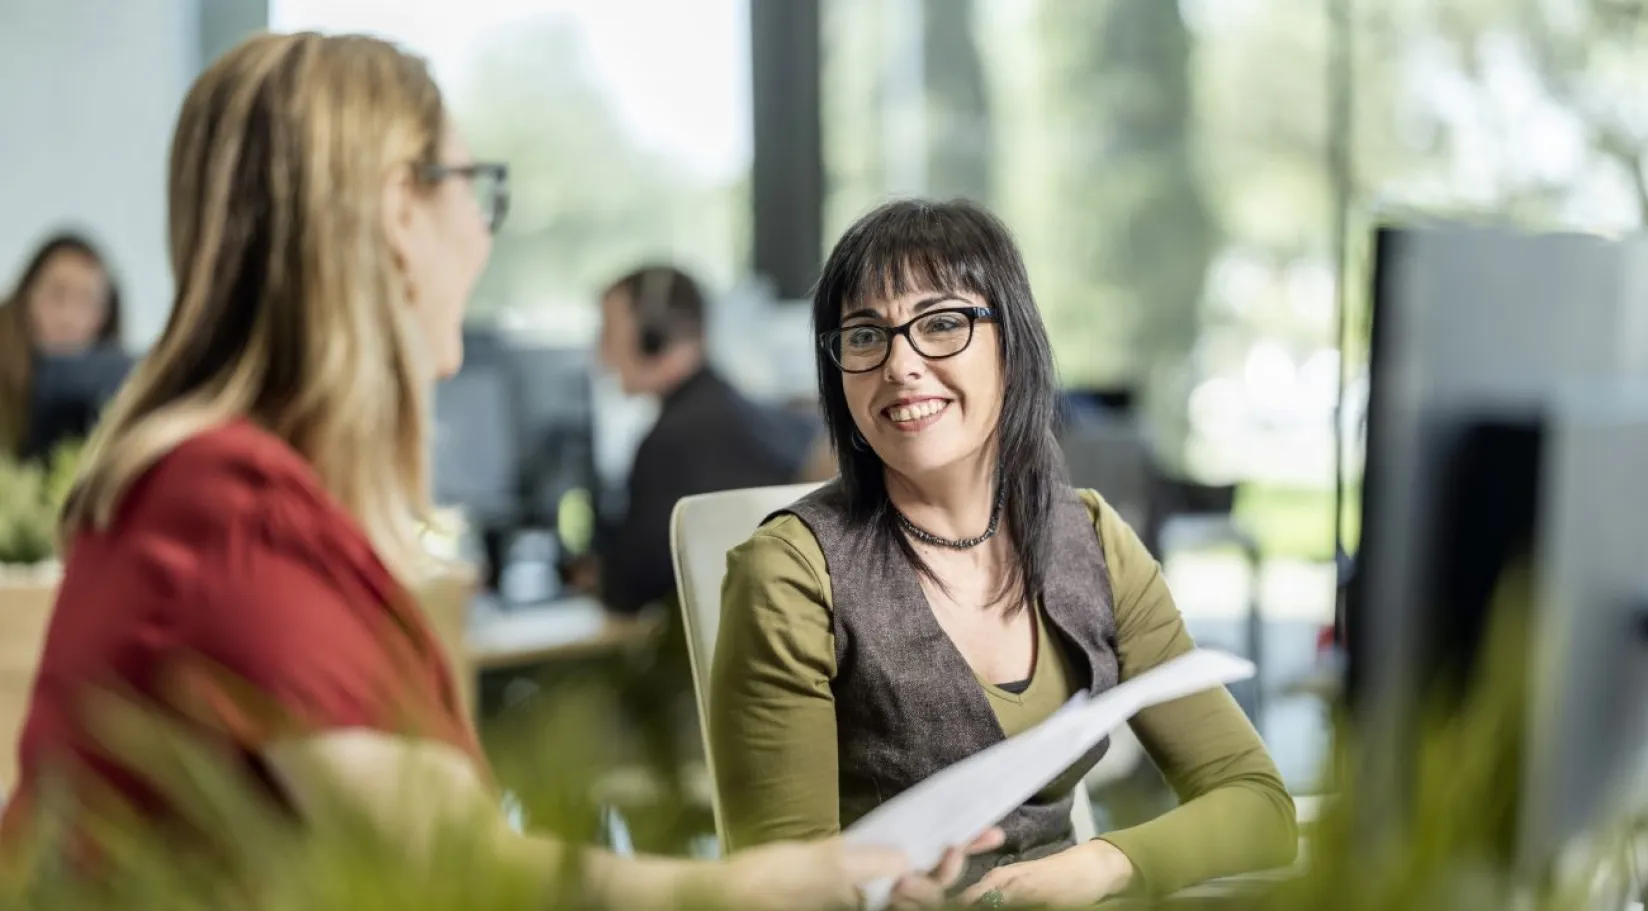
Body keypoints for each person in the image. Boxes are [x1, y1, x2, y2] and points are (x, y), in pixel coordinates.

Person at [0, 32, 998, 908]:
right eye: (472, 189)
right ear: (400, 209)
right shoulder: (225, 506)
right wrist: (745, 887)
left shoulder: (204, 490)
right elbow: (456, 867)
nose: (482, 231)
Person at [710, 199, 1299, 907]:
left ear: (1011, 344)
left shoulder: (1091, 538)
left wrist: (1099, 865)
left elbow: (1258, 805)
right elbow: (776, 894)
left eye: (941, 323)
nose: (900, 364)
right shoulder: (790, 572)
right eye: (866, 334)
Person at [588, 264, 821, 615]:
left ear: (653, 338)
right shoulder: (756, 418)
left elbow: (627, 589)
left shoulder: (672, 441)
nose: (600, 354)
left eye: (608, 333)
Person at [0, 232, 129, 460]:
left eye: (86, 300)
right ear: (26, 297)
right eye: (56, 294)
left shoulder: (118, 391)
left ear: (105, 316)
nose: (68, 318)